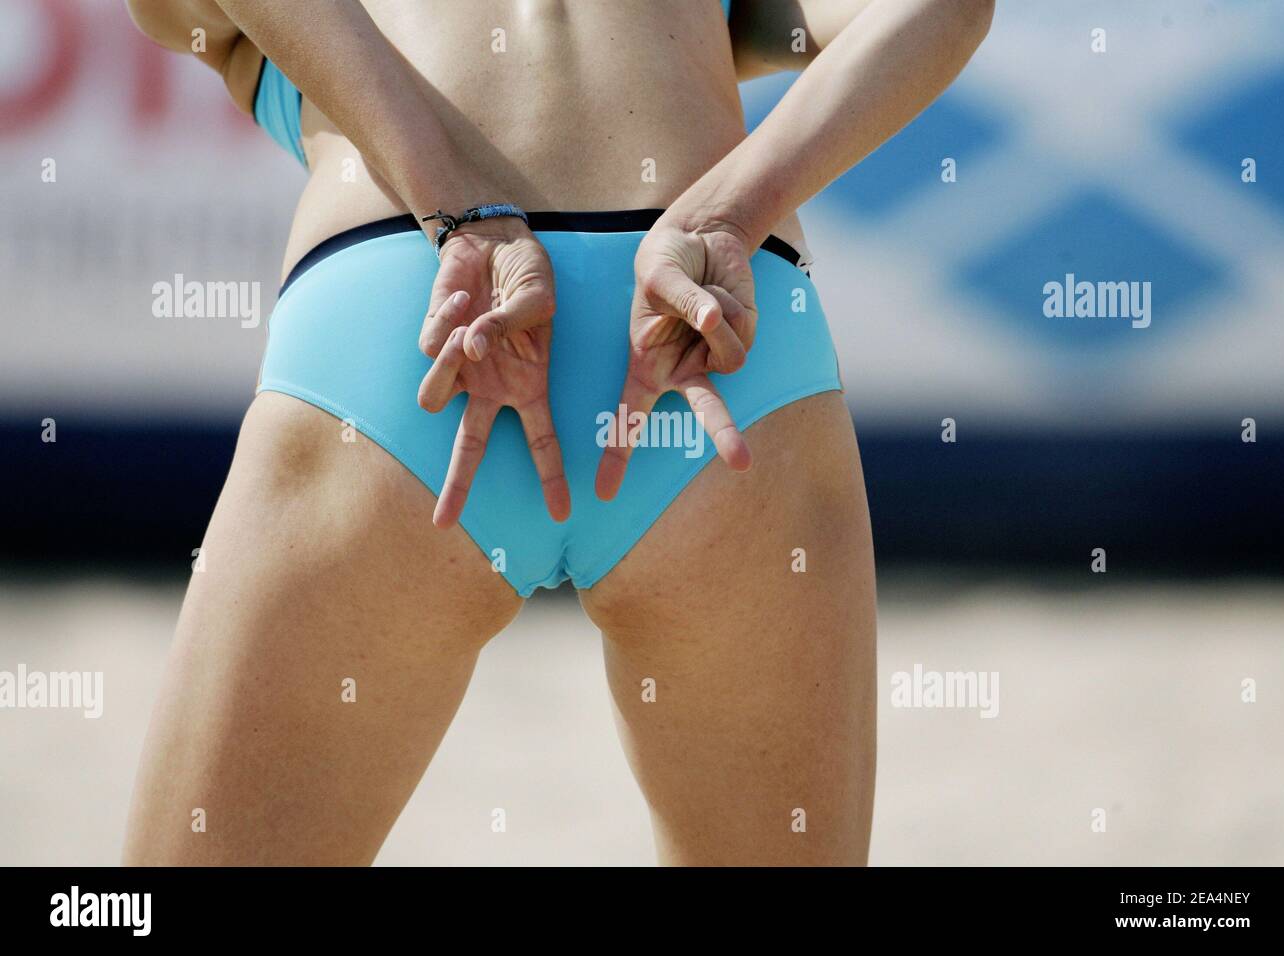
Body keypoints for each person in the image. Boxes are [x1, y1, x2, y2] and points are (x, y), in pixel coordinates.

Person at [122, 0, 994, 866]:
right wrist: (727, 212)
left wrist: (463, 210)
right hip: (708, 326)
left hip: (421, 313)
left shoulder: (252, 39)